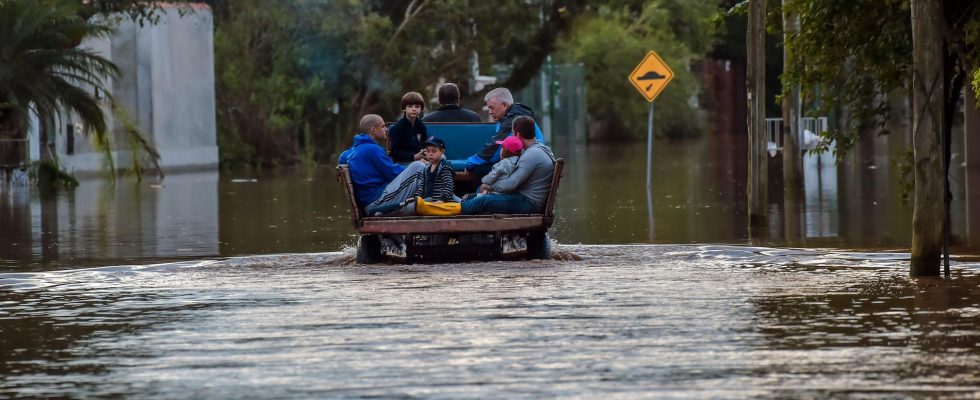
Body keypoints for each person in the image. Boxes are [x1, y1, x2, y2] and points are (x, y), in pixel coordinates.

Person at [461, 116, 556, 215]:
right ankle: (459, 206)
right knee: (477, 197)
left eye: (512, 133)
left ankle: (454, 211)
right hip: (526, 198)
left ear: (518, 135)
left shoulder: (532, 154)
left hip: (529, 202)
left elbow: (512, 183)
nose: (512, 136)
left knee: (482, 201)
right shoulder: (539, 148)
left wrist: (490, 186)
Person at [340, 114, 427, 216]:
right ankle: (433, 201)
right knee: (418, 167)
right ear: (373, 130)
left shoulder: (352, 150)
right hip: (376, 201)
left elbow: (341, 159)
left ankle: (423, 201)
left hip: (370, 199)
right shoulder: (372, 149)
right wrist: (418, 164)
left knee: (416, 167)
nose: (386, 129)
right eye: (382, 126)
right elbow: (392, 173)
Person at [462, 87, 544, 182]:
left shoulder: (513, 120)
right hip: (529, 165)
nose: (490, 112)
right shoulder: (517, 115)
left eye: (492, 108)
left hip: (527, 167)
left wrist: (470, 163)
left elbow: (494, 150)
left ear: (504, 105)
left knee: (480, 169)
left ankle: (479, 195)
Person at [388, 91, 428, 164]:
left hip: (421, 160)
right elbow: (395, 153)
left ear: (421, 109)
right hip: (403, 162)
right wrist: (415, 157)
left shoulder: (421, 125)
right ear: (404, 109)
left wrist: (426, 154)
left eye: (417, 106)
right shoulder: (397, 128)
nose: (414, 109)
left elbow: (425, 145)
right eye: (410, 106)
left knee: (441, 160)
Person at [416, 136, 456, 202]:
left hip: (441, 201)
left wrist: (442, 199)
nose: (430, 154)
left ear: (442, 152)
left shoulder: (444, 167)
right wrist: (417, 197)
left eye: (434, 151)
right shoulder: (427, 168)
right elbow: (422, 186)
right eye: (428, 151)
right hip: (429, 200)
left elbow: (448, 185)